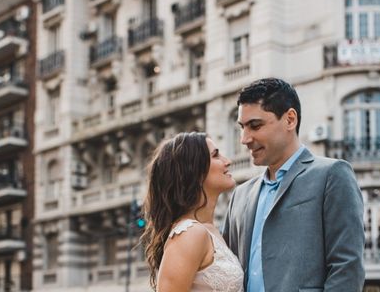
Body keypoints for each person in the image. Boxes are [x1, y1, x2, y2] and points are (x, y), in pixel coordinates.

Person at [223, 78, 365, 291]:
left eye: (255, 125)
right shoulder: (240, 195)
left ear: (290, 119)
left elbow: (347, 267)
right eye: (242, 127)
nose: (245, 138)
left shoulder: (332, 175)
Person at [142, 131, 244, 292]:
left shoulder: (210, 230)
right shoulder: (190, 233)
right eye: (216, 155)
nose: (227, 161)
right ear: (194, 171)